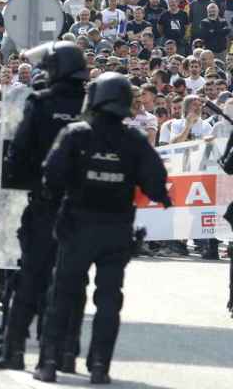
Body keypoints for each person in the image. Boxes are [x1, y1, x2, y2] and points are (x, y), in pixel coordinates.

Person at [32, 72, 171, 384]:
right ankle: (99, 366)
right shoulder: (134, 139)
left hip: (78, 226)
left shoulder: (76, 134)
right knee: (109, 299)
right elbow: (156, 184)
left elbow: (50, 176)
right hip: (116, 229)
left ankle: (49, 362)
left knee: (62, 295)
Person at [0, 41, 90, 373]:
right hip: (82, 208)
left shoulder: (41, 103)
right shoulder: (93, 103)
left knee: (31, 278)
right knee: (74, 282)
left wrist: (23, 180)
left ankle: (13, 350)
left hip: (45, 203)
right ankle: (65, 352)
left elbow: (18, 152)